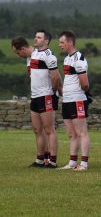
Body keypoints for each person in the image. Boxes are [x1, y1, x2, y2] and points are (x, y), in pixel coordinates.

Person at [12, 31, 61, 168]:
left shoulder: (48, 55)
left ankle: (52, 160)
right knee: (37, 129)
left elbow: (56, 77)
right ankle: (40, 159)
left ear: (46, 41)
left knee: (49, 129)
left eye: (39, 37)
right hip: (35, 97)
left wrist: (53, 93)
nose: (35, 38)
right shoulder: (32, 56)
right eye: (35, 36)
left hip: (46, 96)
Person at [58, 30, 91, 171]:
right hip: (67, 100)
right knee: (71, 133)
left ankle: (83, 163)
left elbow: (85, 83)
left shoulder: (79, 58)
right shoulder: (67, 58)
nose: (60, 45)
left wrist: (81, 93)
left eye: (62, 42)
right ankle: (72, 162)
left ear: (70, 42)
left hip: (77, 100)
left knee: (81, 132)